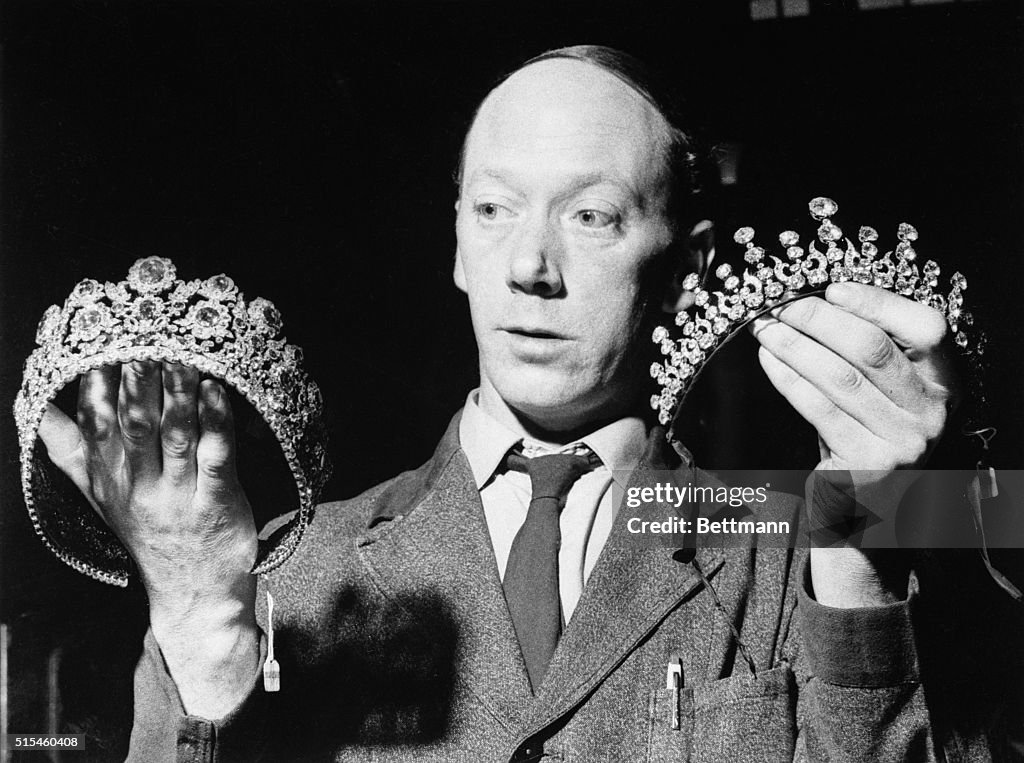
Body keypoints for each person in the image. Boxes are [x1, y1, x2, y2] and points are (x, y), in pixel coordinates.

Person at [37, 45, 1004, 761]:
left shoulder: (795, 544)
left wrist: (865, 553)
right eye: (495, 209)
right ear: (457, 244)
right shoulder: (296, 563)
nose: (531, 266)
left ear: (690, 266)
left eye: (592, 216)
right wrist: (203, 620)